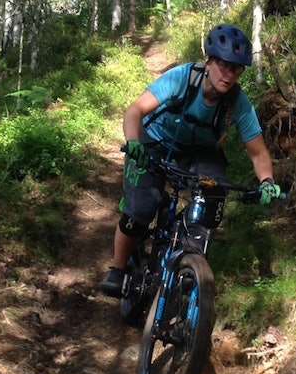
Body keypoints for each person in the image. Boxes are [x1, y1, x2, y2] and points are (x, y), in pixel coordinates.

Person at [100, 23, 281, 297]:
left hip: (200, 151)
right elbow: (135, 110)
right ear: (208, 62)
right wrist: (134, 141)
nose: (229, 74)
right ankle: (117, 268)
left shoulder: (237, 101)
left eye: (236, 69)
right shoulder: (183, 78)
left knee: (212, 198)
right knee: (141, 208)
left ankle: (188, 264)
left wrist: (267, 180)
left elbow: (257, 151)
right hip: (156, 140)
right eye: (224, 65)